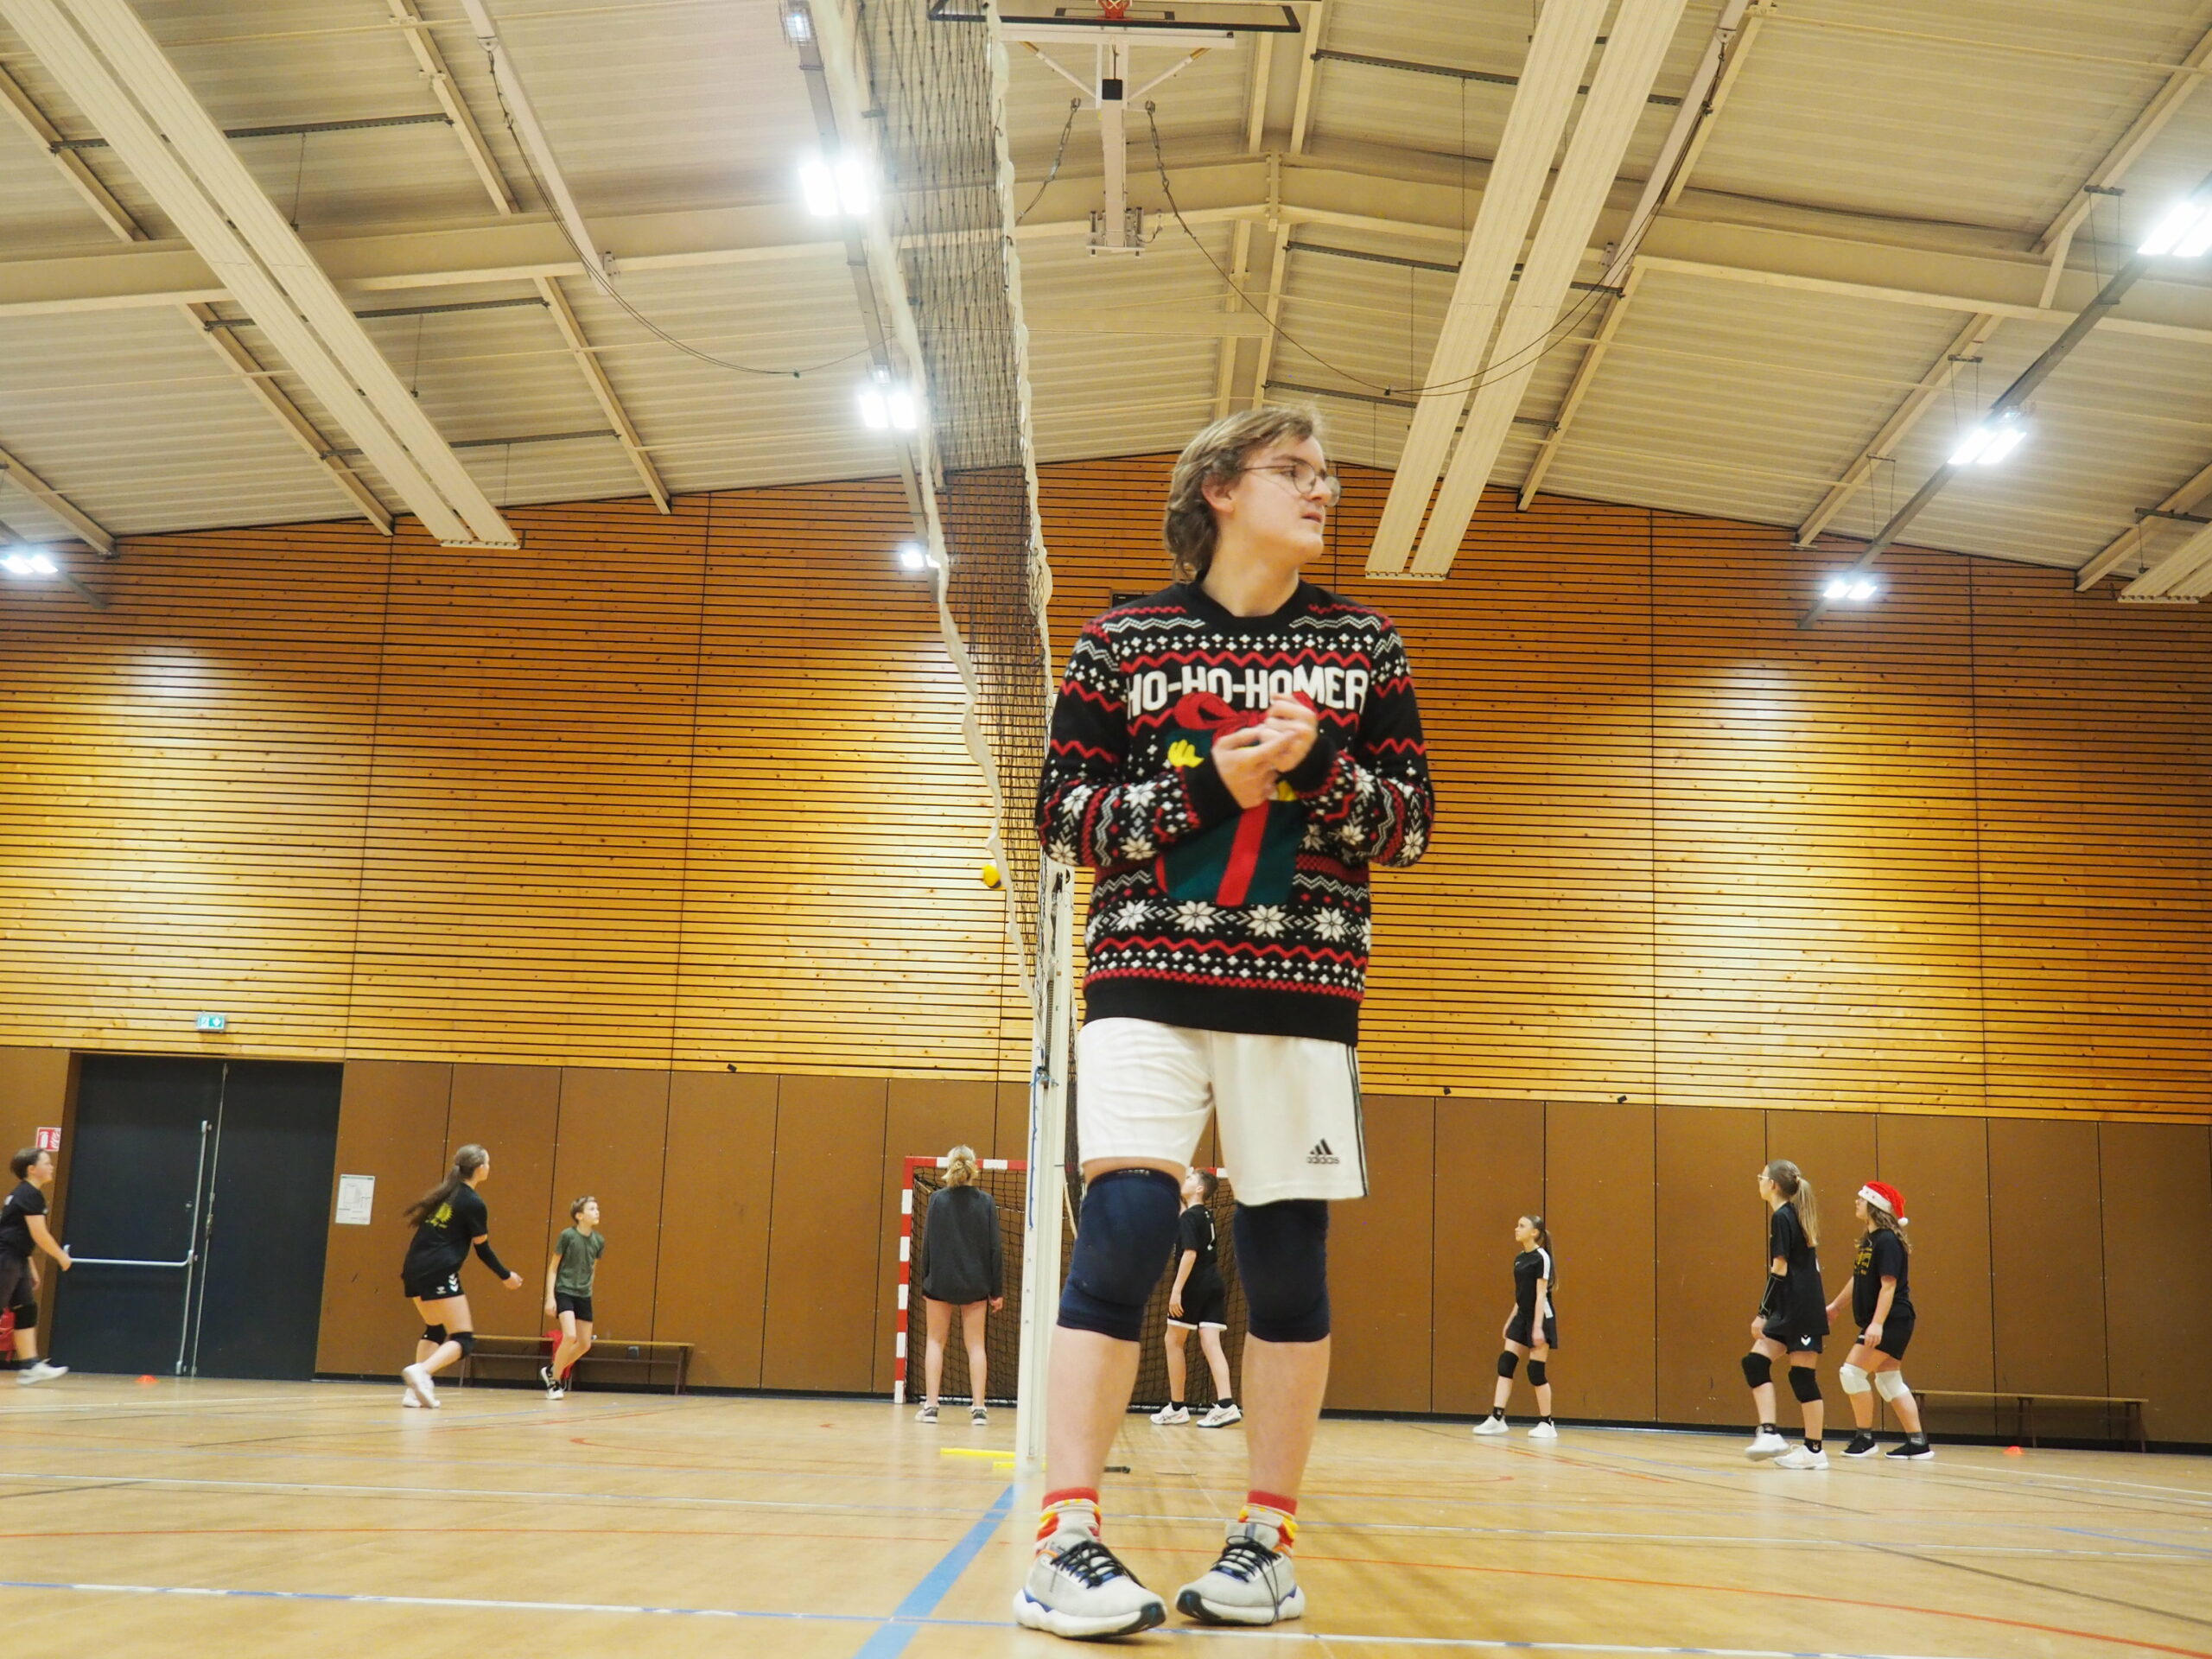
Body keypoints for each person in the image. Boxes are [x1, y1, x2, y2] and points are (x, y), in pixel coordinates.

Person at [1020, 405, 1433, 1638]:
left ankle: (1266, 1544)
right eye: (1293, 471)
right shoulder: (1120, 643)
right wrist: (1210, 784)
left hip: (1302, 996)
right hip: (1142, 982)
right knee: (1124, 1233)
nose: (1323, 491)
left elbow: (1410, 827)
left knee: (1286, 1260)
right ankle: (1065, 1539)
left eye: (1327, 475)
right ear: (1217, 489)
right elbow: (1062, 817)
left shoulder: (1364, 646)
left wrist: (1320, 771)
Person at [397, 1145, 522, 1408]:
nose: (489, 1167)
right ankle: (422, 1372)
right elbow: (483, 1249)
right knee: (463, 1339)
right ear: (480, 1168)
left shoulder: (445, 1194)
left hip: (413, 1269)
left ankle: (413, 1393)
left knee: (435, 1328)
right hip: (439, 1270)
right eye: (488, 1163)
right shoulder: (473, 1202)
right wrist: (506, 1275)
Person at [1825, 1180, 1931, 1460]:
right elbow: (1858, 1278)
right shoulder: (1869, 1241)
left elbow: (1888, 1285)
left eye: (1861, 1199)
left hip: (1892, 1319)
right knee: (1889, 1380)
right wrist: (1835, 1307)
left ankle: (1865, 1438)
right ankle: (1918, 1443)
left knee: (1851, 1372)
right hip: (1890, 1321)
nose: (1856, 1202)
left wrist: (1877, 1324)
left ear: (1875, 1206)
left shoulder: (1887, 1241)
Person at [1743, 1159, 1829, 1469]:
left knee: (1802, 1377)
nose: (1759, 1181)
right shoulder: (1792, 1214)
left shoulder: (1783, 1216)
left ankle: (1814, 1451)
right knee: (1755, 1362)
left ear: (1773, 1184)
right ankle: (1769, 1433)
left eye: (1761, 1176)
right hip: (1793, 1307)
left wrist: (1762, 1313)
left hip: (1800, 1309)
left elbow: (1779, 1268)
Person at [912, 1146, 1003, 1426]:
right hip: (975, 1283)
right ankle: (979, 1409)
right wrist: (997, 1291)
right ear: (974, 1168)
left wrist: (926, 1279)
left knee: (935, 1341)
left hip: (940, 1281)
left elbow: (927, 1244)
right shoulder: (986, 1202)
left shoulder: (937, 1200)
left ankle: (931, 1407)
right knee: (976, 1346)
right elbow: (995, 1249)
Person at [1152, 1168, 1237, 1428]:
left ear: (1200, 1189)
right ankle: (1226, 1405)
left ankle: (1177, 1408)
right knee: (1211, 1342)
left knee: (1173, 1341)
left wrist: (1177, 1290)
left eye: (1190, 1179)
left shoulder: (1190, 1216)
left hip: (1194, 1284)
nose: (1185, 1180)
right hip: (1214, 1283)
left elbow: (1189, 1253)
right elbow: (1183, 1215)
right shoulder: (1203, 1214)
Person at [1472, 1215, 1556, 1440]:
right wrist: (1511, 1320)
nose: (1516, 1229)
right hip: (1522, 1316)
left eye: (1521, 1226)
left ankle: (1547, 1423)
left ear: (1534, 1232)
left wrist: (1537, 1328)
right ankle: (1497, 1418)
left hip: (1541, 1317)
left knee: (1535, 1371)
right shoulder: (1519, 1258)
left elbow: (1540, 1295)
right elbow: (1521, 1295)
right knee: (1506, 1362)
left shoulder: (1541, 1257)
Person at [0, 1149, 70, 1386]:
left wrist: (29, 1265)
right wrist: (60, 1256)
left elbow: (18, 1233)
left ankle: (30, 1366)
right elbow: (39, 1234)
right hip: (5, 1258)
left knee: (26, 1308)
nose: (51, 1167)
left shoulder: (26, 1194)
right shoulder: (29, 1194)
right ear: (31, 1169)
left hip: (17, 1258)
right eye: (46, 1163)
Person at [541, 1195, 603, 1401]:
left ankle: (552, 1370)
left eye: (597, 1208)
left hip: (584, 1295)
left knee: (584, 1344)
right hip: (564, 1291)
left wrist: (588, 1290)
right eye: (592, 1209)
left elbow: (592, 1269)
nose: (597, 1212)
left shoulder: (598, 1241)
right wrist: (550, 1298)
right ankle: (554, 1383)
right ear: (579, 1216)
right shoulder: (567, 1236)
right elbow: (553, 1268)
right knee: (569, 1336)